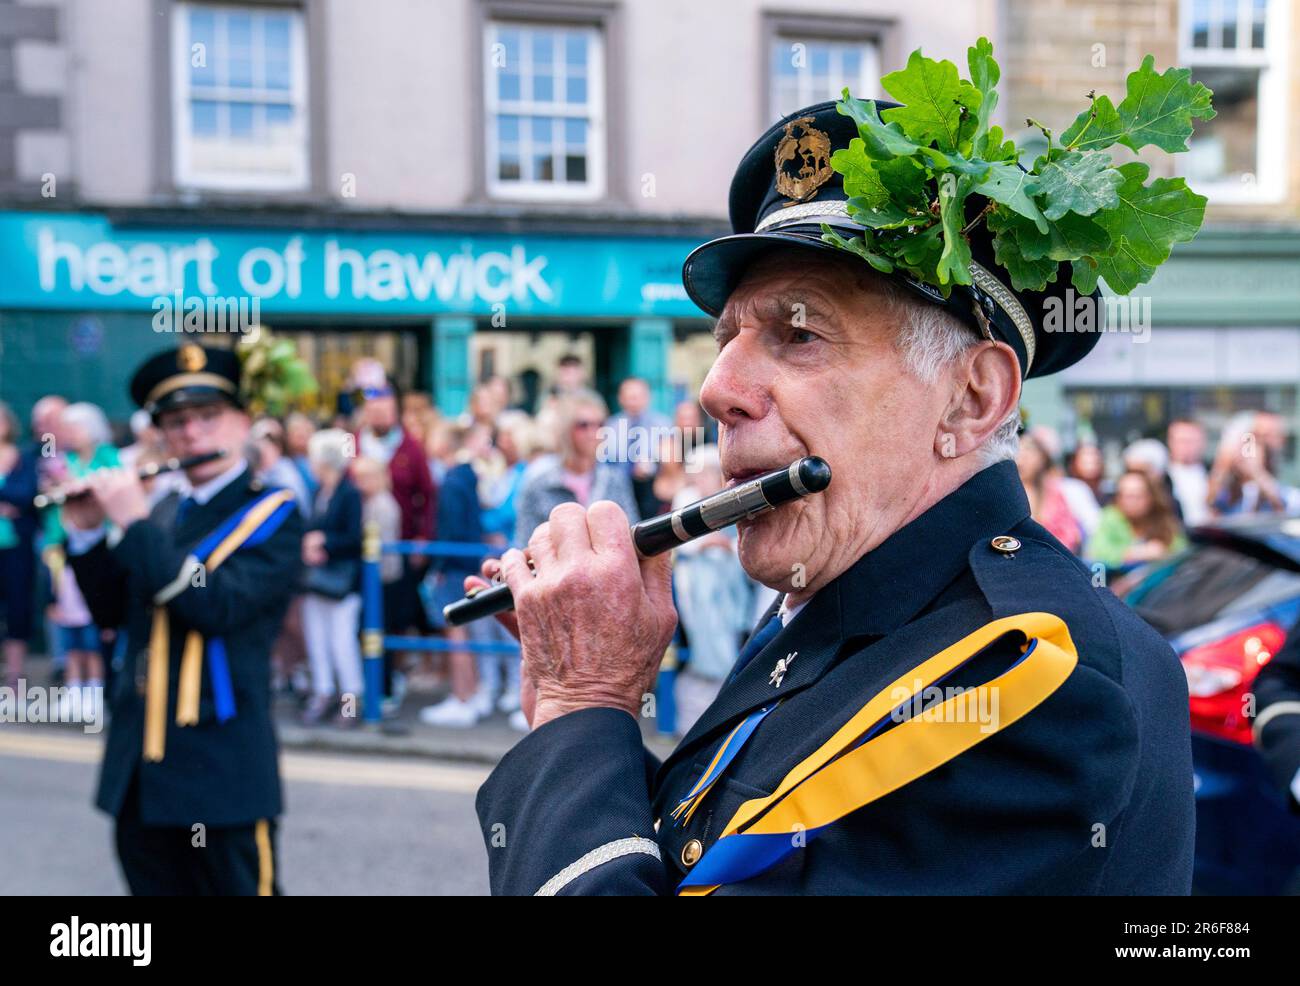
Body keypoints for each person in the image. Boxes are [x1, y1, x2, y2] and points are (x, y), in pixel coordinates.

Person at [469, 98, 1194, 895]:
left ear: (971, 400)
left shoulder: (1025, 671)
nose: (719, 389)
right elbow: (717, 851)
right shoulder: (848, 603)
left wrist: (586, 703)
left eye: (799, 333)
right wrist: (578, 712)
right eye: (727, 340)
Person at [62, 344, 300, 895]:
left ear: (243, 421)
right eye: (176, 422)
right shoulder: (165, 510)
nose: (193, 433)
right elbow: (113, 614)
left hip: (222, 774)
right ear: (162, 435)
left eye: (209, 416)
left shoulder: (274, 511)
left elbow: (214, 604)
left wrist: (135, 524)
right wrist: (88, 532)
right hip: (143, 771)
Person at [514, 389, 640, 545]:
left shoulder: (614, 480)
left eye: (599, 424)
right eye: (583, 425)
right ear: (566, 429)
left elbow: (631, 535)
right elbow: (525, 544)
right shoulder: (540, 484)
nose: (593, 432)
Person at [300, 428, 364, 726]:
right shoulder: (318, 492)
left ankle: (350, 701)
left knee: (342, 642)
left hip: (342, 580)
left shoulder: (349, 494)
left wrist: (323, 542)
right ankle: (323, 693)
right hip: (317, 578)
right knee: (318, 639)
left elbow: (355, 537)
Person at [0, 402, 38, 689]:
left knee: (17, 608)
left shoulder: (24, 457)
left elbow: (26, 495)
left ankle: (14, 678)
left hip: (16, 548)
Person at [1085, 469, 1187, 570]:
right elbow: (1096, 553)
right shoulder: (1110, 517)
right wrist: (1138, 553)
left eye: (1138, 496)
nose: (1132, 502)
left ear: (1150, 497)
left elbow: (1181, 550)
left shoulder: (1161, 518)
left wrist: (1163, 552)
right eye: (1127, 496)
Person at [1016, 427, 1086, 553]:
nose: (1022, 458)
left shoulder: (1057, 491)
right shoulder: (1008, 493)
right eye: (1018, 451)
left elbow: (1070, 536)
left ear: (1043, 458)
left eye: (1029, 450)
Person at [1166, 419, 1209, 528]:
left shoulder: (1214, 474)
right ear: (1170, 442)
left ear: (1203, 442)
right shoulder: (1161, 478)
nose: (1187, 446)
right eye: (1182, 440)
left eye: (1192, 441)